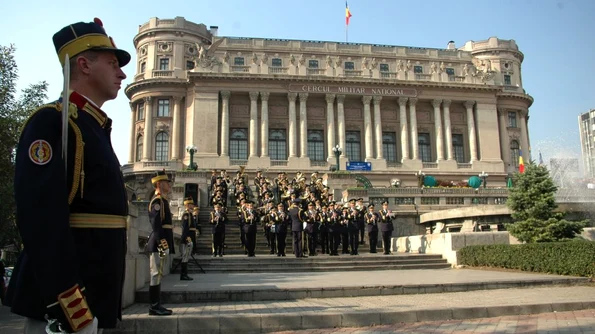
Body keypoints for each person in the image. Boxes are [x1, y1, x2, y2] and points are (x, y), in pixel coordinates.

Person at [5, 18, 130, 333]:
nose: (122, 73)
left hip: (96, 301)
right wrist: (74, 308)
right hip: (66, 308)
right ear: (85, 65)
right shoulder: (53, 123)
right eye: (113, 63)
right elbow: (41, 220)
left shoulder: (93, 126)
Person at [147, 170, 174, 316]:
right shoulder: (157, 201)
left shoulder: (163, 201)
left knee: (159, 272)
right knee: (155, 273)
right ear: (158, 184)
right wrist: (164, 243)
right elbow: (156, 225)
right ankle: (154, 306)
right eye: (165, 183)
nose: (168, 185)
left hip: (162, 243)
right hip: (158, 244)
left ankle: (157, 304)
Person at [179, 197, 195, 281]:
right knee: (185, 257)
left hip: (190, 237)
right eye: (191, 204)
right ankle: (183, 274)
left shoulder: (189, 214)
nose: (193, 206)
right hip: (187, 238)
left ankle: (185, 274)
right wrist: (186, 239)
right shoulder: (186, 215)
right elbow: (185, 228)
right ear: (187, 205)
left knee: (186, 257)